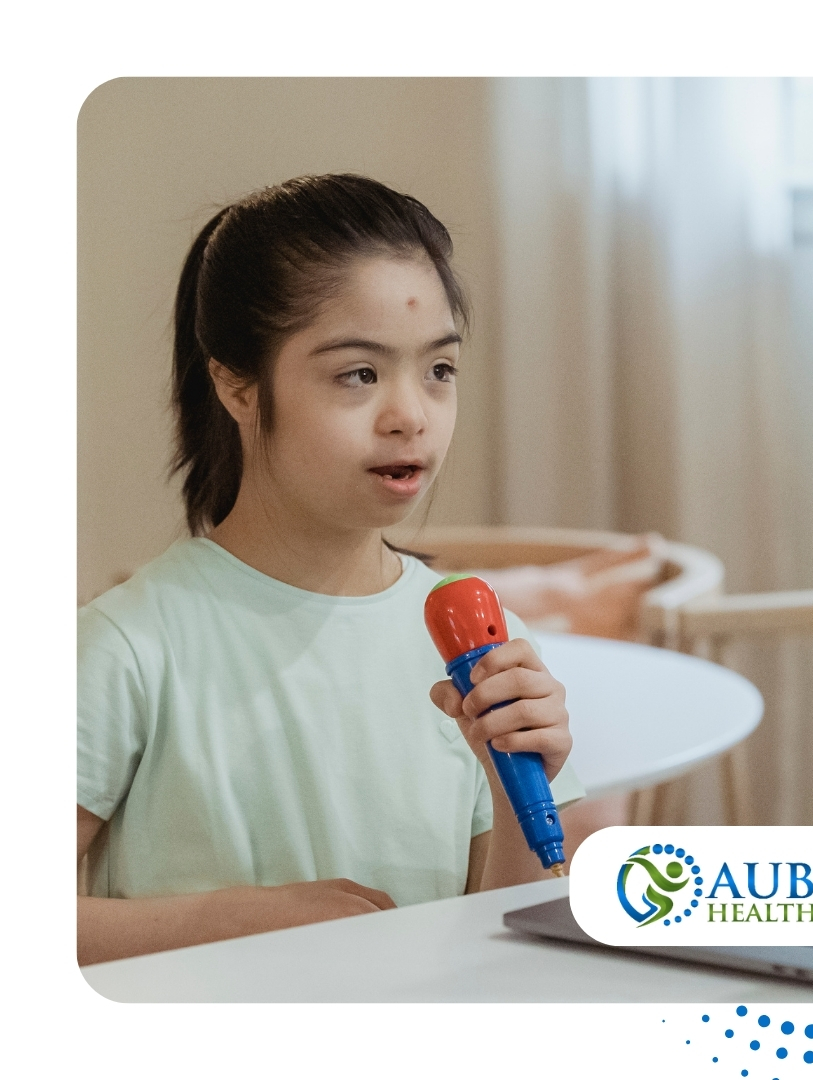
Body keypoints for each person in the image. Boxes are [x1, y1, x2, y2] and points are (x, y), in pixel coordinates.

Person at [77, 174, 584, 967]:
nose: (410, 415)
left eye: (439, 371)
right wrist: (220, 923)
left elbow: (507, 942)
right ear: (236, 384)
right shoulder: (129, 645)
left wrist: (512, 788)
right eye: (359, 374)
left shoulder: (480, 642)